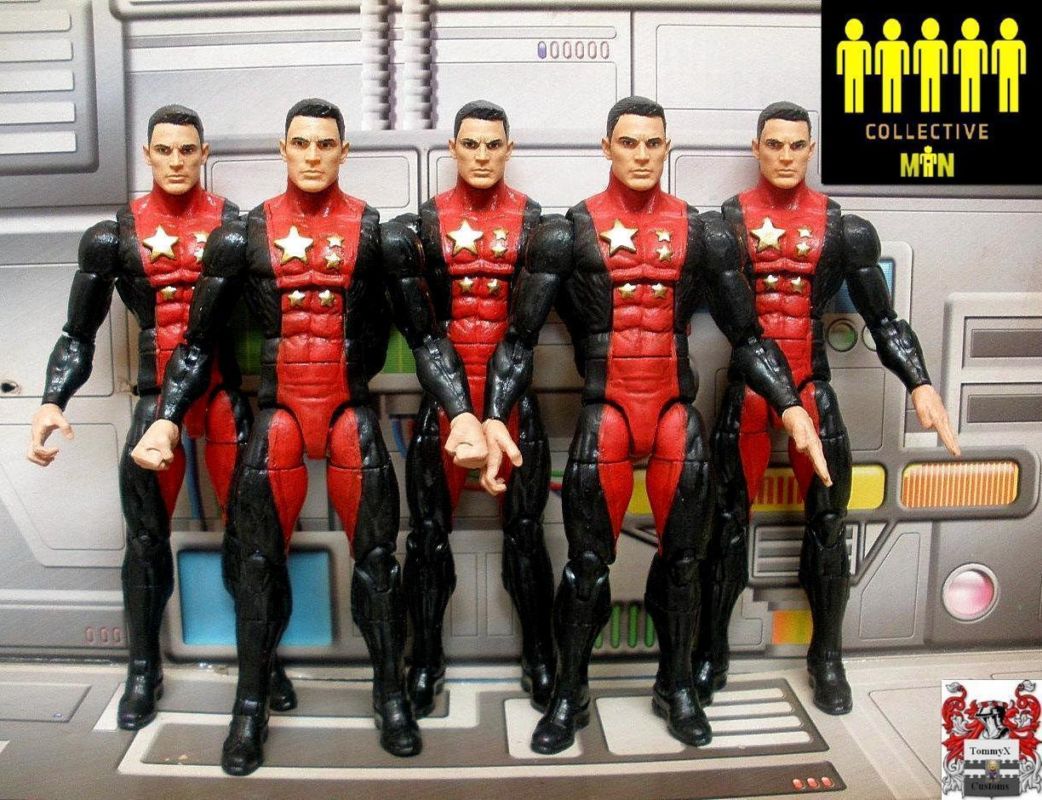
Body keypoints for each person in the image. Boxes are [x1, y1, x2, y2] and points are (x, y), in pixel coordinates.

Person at [131, 98, 485, 774]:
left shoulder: (378, 236)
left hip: (350, 408)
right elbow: (196, 341)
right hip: (281, 413)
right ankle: (250, 706)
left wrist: (462, 411)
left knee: (377, 562)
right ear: (284, 149)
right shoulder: (243, 236)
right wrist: (169, 417)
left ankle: (389, 695)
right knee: (257, 562)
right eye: (302, 143)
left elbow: (425, 336)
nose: (314, 155)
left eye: (326, 144)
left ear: (343, 151)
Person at [481, 96, 828, 754]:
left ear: (667, 148)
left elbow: (748, 335)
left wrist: (788, 404)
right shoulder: (567, 233)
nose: (641, 155)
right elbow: (518, 339)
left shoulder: (703, 232)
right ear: (606, 147)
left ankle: (677, 686)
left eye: (652, 143)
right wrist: (494, 414)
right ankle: (570, 692)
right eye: (629, 142)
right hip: (606, 409)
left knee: (686, 562)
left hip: (673, 411)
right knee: (587, 566)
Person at [26, 104, 295, 731]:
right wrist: (52, 400)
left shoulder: (235, 227)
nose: (176, 162)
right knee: (145, 541)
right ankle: (143, 669)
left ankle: (264, 663)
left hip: (222, 396)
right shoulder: (114, 236)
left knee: (251, 539)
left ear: (203, 154)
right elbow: (77, 333)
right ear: (147, 155)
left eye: (187, 150)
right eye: (164, 150)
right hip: (154, 399)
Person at [692, 100, 960, 716]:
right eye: (774, 144)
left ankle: (826, 657)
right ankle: (711, 649)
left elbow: (884, 320)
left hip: (812, 381)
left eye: (797, 145)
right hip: (750, 389)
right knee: (726, 523)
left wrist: (920, 382)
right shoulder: (724, 226)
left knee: (829, 524)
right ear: (757, 149)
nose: (786, 156)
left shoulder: (843, 229)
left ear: (811, 150)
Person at [383, 100, 555, 717]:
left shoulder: (536, 224)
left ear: (509, 148)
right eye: (471, 144)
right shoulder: (423, 226)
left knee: (527, 536)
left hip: (514, 399)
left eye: (493, 144)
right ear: (453, 148)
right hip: (443, 401)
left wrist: (497, 407)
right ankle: (425, 659)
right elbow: (423, 333)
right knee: (428, 539)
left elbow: (528, 332)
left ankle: (541, 656)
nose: (482, 155)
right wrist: (458, 406)